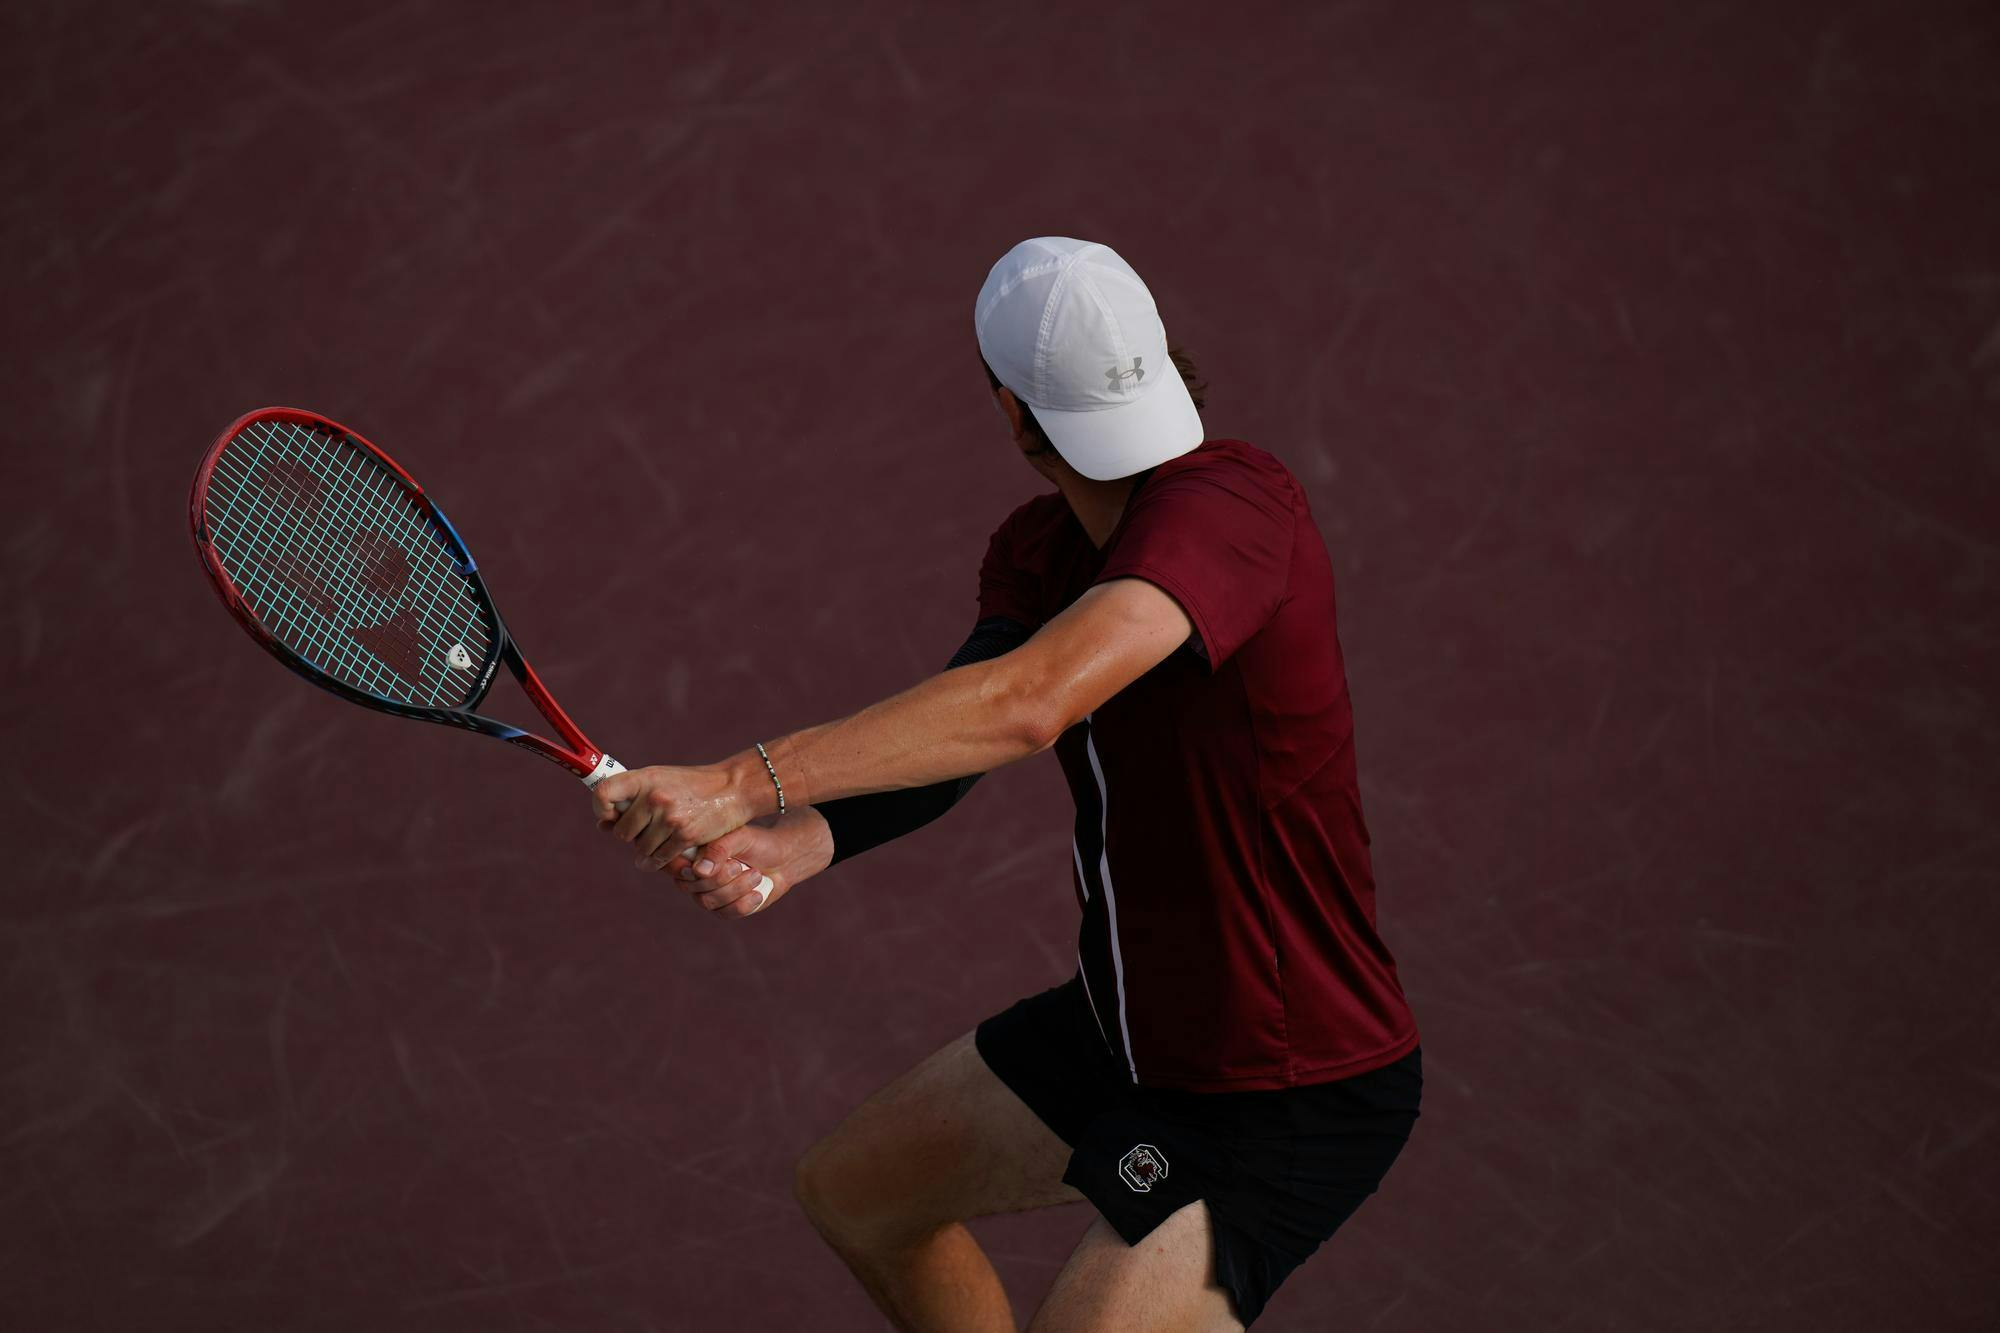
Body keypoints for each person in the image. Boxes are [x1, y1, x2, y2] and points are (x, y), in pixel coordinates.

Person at [592, 237, 1423, 1332]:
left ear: (1010, 411)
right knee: (860, 1194)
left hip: (1283, 1081)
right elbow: (963, 724)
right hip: (1126, 1030)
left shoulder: (1236, 505)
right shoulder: (1040, 553)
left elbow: (1026, 704)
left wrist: (742, 782)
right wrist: (806, 836)